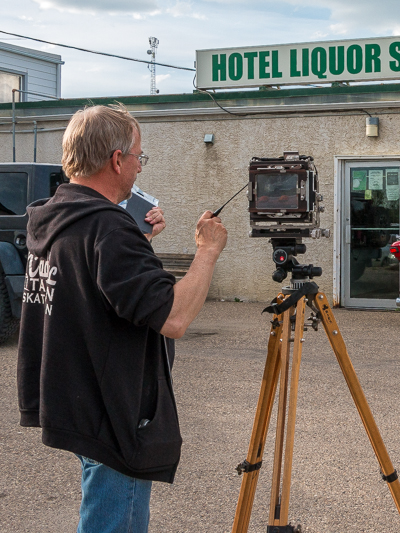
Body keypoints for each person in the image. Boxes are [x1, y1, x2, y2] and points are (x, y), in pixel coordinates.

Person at [16, 103, 228, 532]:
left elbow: (103, 290)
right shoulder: (108, 230)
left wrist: (140, 240)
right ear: (116, 160)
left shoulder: (58, 218)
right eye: (138, 158)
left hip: (76, 400)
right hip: (112, 410)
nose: (139, 168)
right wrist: (207, 252)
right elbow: (173, 317)